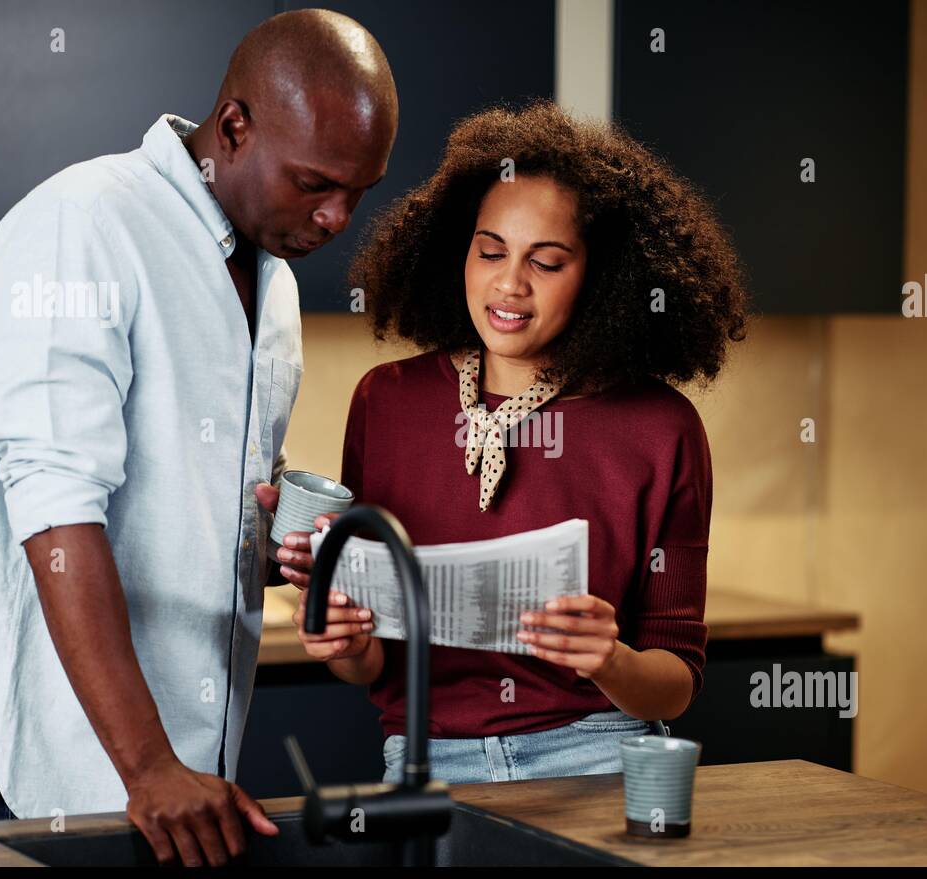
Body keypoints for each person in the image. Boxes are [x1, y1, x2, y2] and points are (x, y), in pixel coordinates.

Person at [0, 9, 398, 866]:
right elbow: (56, 510)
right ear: (234, 127)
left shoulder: (274, 284)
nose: (337, 217)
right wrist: (148, 765)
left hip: (185, 782)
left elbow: (186, 508)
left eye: (359, 191)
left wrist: (269, 546)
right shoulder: (83, 226)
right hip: (45, 780)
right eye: (314, 182)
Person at [274, 102, 749, 784]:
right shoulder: (388, 401)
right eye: (490, 250)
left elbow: (675, 679)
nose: (509, 284)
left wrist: (608, 658)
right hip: (424, 760)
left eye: (547, 262)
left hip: (595, 753)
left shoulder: (659, 427)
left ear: (603, 276)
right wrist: (340, 638)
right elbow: (372, 661)